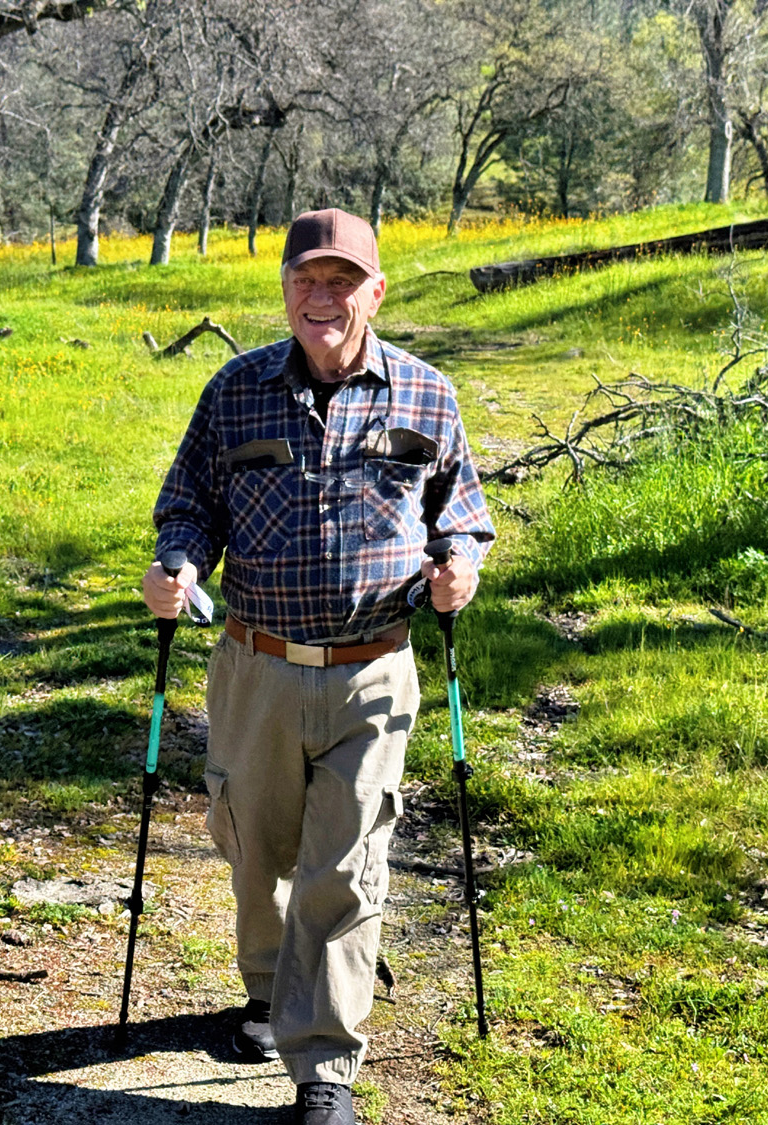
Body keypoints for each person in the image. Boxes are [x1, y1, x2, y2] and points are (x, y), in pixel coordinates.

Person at [141, 208, 495, 1125]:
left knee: (346, 861)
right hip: (256, 665)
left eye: (342, 281)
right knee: (254, 846)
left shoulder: (427, 395)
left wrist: (459, 568)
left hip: (373, 670)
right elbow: (189, 508)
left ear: (376, 291)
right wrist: (176, 568)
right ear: (285, 289)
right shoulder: (235, 391)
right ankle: (268, 986)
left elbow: (462, 517)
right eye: (306, 279)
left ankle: (325, 1065)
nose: (322, 297)